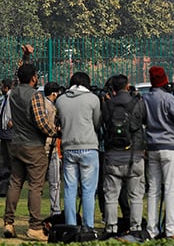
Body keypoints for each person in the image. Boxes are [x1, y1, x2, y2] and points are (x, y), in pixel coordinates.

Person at [3, 63, 57, 242]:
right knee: (35, 186)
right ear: (34, 78)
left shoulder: (14, 93)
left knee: (15, 183)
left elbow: (17, 74)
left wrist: (25, 57)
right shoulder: (35, 96)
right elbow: (41, 123)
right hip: (33, 146)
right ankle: (34, 226)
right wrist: (55, 131)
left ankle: (8, 223)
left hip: (16, 143)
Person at [143, 66, 174, 240]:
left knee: (153, 189)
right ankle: (171, 228)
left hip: (152, 145)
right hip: (169, 146)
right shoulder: (169, 98)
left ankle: (152, 229)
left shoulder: (145, 98)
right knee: (171, 189)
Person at [101, 74, 147, 241]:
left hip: (113, 156)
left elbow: (104, 124)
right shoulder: (137, 102)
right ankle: (135, 228)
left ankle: (111, 227)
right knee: (136, 195)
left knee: (111, 195)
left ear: (112, 88)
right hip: (134, 155)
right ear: (128, 86)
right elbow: (145, 120)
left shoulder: (107, 105)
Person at [55, 71, 102, 236]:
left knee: (69, 189)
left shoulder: (61, 100)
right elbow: (97, 122)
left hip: (68, 147)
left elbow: (58, 121)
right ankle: (88, 226)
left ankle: (70, 226)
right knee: (89, 190)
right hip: (89, 146)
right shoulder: (93, 99)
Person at [43, 81, 63, 217]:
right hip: (50, 145)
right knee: (55, 181)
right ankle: (55, 210)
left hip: (40, 146)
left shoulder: (41, 104)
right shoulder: (50, 107)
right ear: (54, 93)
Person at [0, 78, 14, 173]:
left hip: (9, 131)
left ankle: (13, 173)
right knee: (4, 155)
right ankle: (6, 173)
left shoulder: (12, 96)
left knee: (11, 155)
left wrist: (13, 120)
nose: (0, 89)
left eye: (2, 87)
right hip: (4, 131)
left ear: (6, 88)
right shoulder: (5, 98)